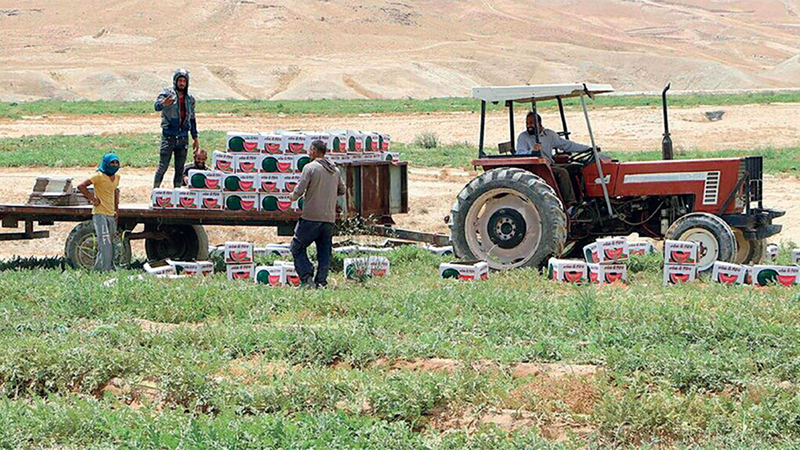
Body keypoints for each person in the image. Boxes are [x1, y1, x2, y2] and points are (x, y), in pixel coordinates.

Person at [289, 140, 346, 288]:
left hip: (311, 217)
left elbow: (299, 190)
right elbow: (343, 190)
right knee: (324, 252)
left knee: (297, 246)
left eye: (310, 150)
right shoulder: (335, 170)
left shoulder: (310, 168)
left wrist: (291, 197)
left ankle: (307, 277)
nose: (309, 152)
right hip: (328, 218)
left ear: (314, 150)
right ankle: (321, 281)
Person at [516, 112, 593, 206]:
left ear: (539, 123)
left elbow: (567, 145)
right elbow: (520, 153)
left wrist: (588, 148)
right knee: (562, 173)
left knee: (577, 167)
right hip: (539, 167)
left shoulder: (549, 135)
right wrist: (532, 151)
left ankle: (584, 199)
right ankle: (570, 204)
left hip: (550, 163)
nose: (529, 125)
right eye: (527, 123)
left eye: (531, 122)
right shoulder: (523, 137)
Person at [153, 68, 199, 188]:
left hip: (183, 136)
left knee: (180, 169)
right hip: (169, 136)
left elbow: (192, 119)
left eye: (184, 81)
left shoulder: (190, 99)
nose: (182, 83)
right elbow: (156, 106)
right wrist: (163, 103)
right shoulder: (167, 94)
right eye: (180, 81)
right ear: (175, 81)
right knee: (163, 166)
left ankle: (176, 196)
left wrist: (195, 137)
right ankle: (155, 191)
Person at [77, 154, 121, 272]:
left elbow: (115, 192)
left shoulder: (117, 177)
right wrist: (93, 199)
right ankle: (104, 270)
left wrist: (116, 209)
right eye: (112, 163)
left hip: (110, 213)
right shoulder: (98, 176)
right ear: (106, 163)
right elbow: (81, 186)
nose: (114, 165)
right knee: (104, 242)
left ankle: (104, 268)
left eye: (116, 163)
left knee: (111, 242)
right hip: (100, 213)